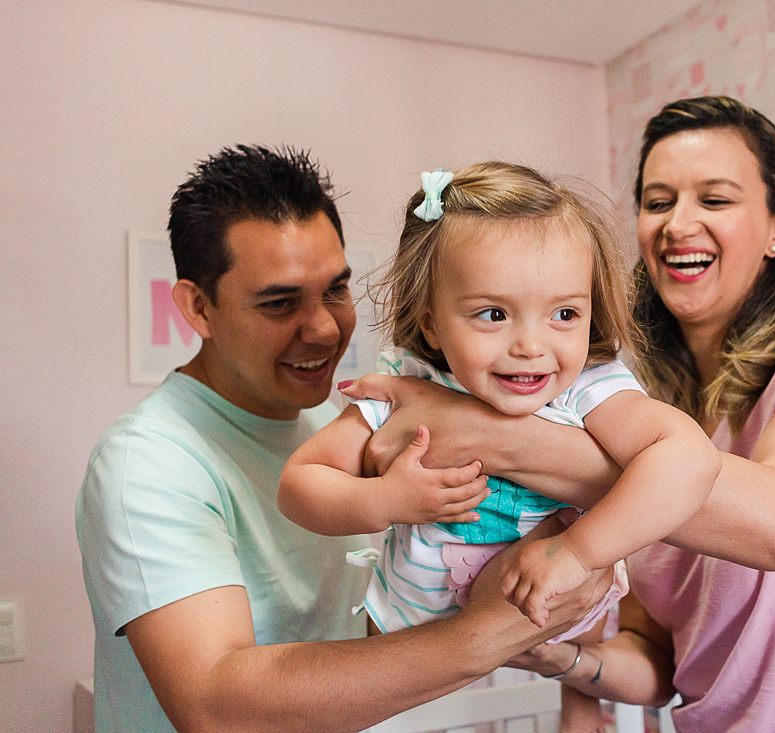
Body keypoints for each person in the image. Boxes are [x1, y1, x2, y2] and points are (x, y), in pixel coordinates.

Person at [342, 97, 775, 731]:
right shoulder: (633, 411)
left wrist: (481, 433)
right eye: (658, 203)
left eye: (713, 200)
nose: (677, 224)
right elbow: (660, 661)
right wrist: (563, 661)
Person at [75, 145, 609, 733]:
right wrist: (488, 633)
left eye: (335, 290)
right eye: (279, 302)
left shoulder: (328, 422)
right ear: (198, 308)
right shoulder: (145, 462)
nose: (327, 327)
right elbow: (214, 707)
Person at [278, 161, 719, 733]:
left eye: (564, 314)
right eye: (493, 314)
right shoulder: (410, 388)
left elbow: (689, 456)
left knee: (574, 559)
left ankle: (580, 711)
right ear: (433, 324)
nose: (532, 346)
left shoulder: (591, 388)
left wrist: (578, 552)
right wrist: (388, 499)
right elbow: (299, 485)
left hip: (553, 613)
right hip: (407, 633)